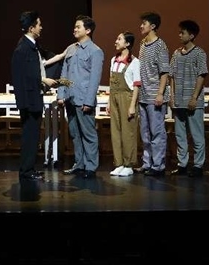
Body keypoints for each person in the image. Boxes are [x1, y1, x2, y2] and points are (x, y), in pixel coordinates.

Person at [11, 11, 58, 180]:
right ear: (31, 28)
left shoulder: (32, 46)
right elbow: (22, 76)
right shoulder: (23, 48)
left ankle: (29, 167)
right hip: (29, 100)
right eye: (39, 24)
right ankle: (26, 170)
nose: (41, 27)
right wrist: (44, 80)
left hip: (34, 98)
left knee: (33, 135)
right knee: (29, 135)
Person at [57, 15, 104, 178]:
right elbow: (64, 73)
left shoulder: (95, 51)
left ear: (88, 30)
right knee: (75, 133)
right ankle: (79, 164)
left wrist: (89, 101)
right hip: (70, 98)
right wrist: (61, 94)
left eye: (78, 27)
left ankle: (90, 167)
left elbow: (94, 79)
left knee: (88, 134)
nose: (75, 29)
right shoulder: (71, 49)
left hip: (84, 99)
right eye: (75, 26)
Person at [168, 20, 209, 178]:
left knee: (197, 135)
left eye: (182, 32)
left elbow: (201, 76)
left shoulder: (199, 53)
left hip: (193, 102)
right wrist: (172, 97)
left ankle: (198, 165)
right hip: (178, 101)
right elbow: (171, 76)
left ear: (191, 35)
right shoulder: (177, 53)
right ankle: (182, 164)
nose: (179, 35)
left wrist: (194, 97)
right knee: (180, 135)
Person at [135, 12, 170, 177]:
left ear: (153, 26)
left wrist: (160, 94)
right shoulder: (143, 43)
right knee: (145, 133)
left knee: (157, 132)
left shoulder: (160, 45)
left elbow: (164, 72)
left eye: (144, 23)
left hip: (154, 95)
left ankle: (158, 165)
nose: (141, 26)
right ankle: (147, 163)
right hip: (143, 95)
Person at [107, 31, 141, 177]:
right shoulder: (113, 60)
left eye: (119, 39)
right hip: (114, 97)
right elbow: (111, 83)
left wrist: (132, 105)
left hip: (127, 97)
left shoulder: (134, 62)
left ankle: (129, 164)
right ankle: (119, 163)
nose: (116, 41)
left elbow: (136, 85)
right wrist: (109, 102)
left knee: (128, 132)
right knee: (115, 131)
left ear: (127, 43)